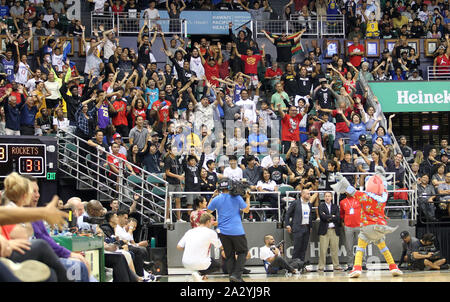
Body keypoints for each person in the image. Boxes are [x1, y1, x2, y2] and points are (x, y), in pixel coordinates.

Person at [331, 167, 403, 278]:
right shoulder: (384, 197)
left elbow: (349, 188)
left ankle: (357, 269)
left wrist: (341, 178)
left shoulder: (364, 197)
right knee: (384, 248)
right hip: (380, 226)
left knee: (360, 248)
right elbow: (383, 186)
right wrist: (379, 175)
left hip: (367, 227)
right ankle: (393, 267)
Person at [207, 178, 251, 282]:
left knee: (229, 254)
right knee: (243, 252)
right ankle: (237, 275)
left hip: (223, 232)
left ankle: (233, 277)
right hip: (236, 230)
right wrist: (248, 198)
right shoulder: (236, 197)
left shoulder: (217, 199)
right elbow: (246, 210)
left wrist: (213, 196)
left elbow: (208, 210)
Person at [177, 213, 222, 282]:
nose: (212, 223)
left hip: (186, 263)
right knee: (217, 266)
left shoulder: (190, 231)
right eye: (211, 221)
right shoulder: (211, 232)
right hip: (201, 264)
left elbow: (179, 247)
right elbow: (219, 246)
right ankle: (199, 275)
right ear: (208, 222)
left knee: (201, 261)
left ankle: (195, 276)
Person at [284, 189, 316, 263]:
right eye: (308, 194)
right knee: (297, 248)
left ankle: (301, 265)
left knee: (304, 248)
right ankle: (294, 265)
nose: (309, 195)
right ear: (302, 194)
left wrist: (310, 226)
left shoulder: (309, 204)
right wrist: (288, 225)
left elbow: (310, 216)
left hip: (306, 228)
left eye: (309, 194)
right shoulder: (295, 203)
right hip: (298, 227)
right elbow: (288, 214)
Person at [340, 191, 365, 271]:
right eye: (348, 190)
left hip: (359, 225)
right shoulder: (342, 202)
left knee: (361, 245)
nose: (349, 192)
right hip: (348, 227)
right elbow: (341, 214)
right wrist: (344, 224)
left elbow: (364, 209)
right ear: (345, 192)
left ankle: (362, 263)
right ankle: (350, 264)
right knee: (349, 247)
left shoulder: (359, 199)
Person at [317, 192, 342, 272]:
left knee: (334, 249)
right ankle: (321, 266)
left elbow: (338, 218)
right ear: (324, 198)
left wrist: (328, 217)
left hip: (334, 230)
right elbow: (322, 217)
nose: (327, 197)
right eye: (326, 196)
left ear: (331, 197)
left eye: (329, 196)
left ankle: (336, 265)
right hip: (324, 231)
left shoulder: (336, 206)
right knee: (323, 250)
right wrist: (332, 216)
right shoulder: (321, 206)